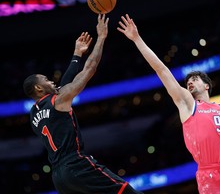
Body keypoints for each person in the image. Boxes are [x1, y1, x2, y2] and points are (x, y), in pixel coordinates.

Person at [117, 14, 220, 193]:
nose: (190, 82)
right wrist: (137, 39)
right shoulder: (188, 105)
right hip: (210, 174)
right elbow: (162, 70)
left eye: (195, 79)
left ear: (206, 85)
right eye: (188, 81)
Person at [23, 14, 143, 194]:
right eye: (47, 80)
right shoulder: (58, 100)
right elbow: (90, 68)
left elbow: (64, 86)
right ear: (39, 88)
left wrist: (77, 54)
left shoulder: (33, 114)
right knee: (127, 192)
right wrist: (101, 37)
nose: (52, 82)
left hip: (59, 178)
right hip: (76, 165)